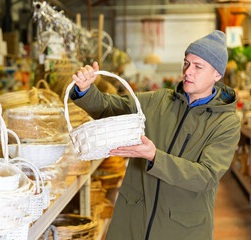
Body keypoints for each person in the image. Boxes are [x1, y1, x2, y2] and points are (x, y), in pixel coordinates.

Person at [69, 30, 241, 240]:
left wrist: (154, 157)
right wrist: (86, 90)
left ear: (217, 74)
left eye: (198, 66)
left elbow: (206, 177)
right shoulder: (158, 100)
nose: (188, 71)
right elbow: (108, 109)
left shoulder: (226, 123)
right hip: (134, 217)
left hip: (181, 227)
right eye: (186, 63)